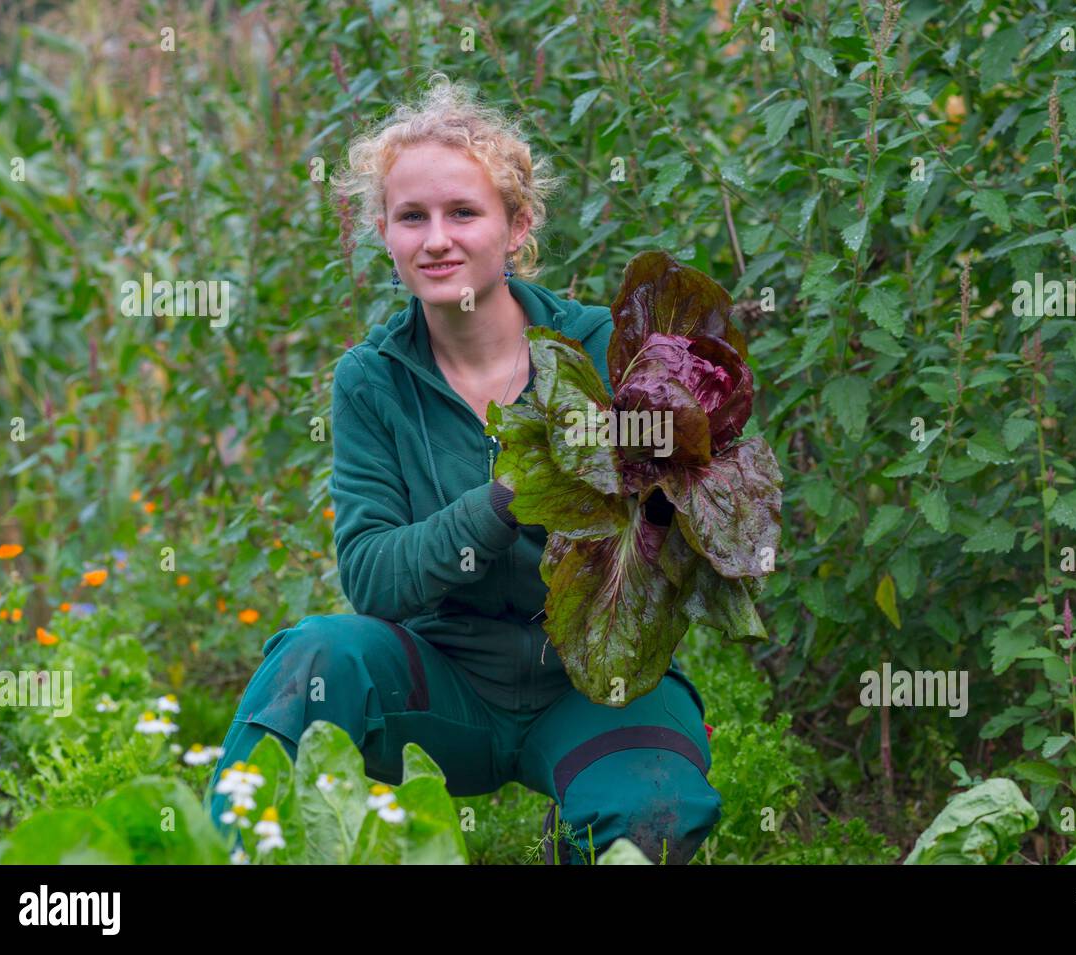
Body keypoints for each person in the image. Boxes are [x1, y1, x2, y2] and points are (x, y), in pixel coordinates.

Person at [206, 73, 722, 864]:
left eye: (464, 213)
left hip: (594, 679)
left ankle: (587, 818)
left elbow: (688, 538)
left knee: (657, 811)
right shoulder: (371, 378)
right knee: (315, 656)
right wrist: (508, 497)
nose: (436, 238)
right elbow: (373, 577)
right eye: (411, 216)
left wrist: (669, 495)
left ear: (517, 227)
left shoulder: (605, 349)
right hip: (440, 682)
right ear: (383, 231)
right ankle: (230, 851)